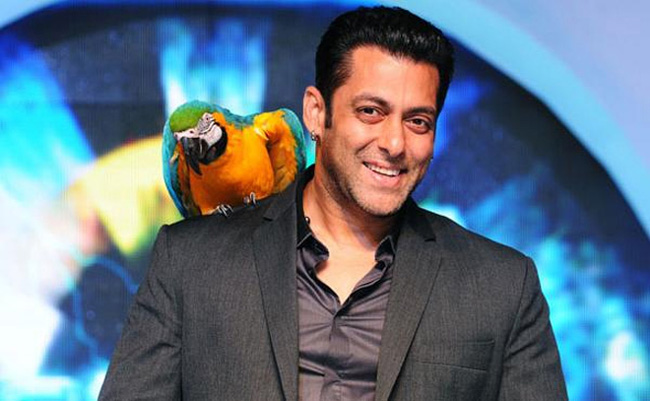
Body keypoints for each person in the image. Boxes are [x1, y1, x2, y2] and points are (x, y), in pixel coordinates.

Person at [99, 6, 568, 401]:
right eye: (371, 112)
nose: (394, 143)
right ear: (316, 113)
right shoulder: (189, 264)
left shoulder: (503, 287)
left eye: (418, 121)